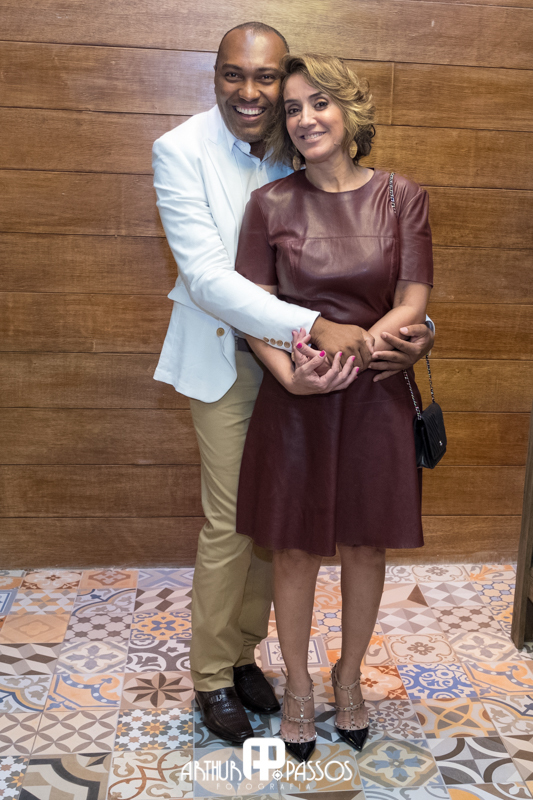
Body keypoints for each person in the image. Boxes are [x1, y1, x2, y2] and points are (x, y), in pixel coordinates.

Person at [152, 23, 435, 745]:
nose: (254, 94)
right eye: (234, 75)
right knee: (237, 525)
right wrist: (310, 337)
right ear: (216, 76)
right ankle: (213, 675)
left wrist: (414, 331)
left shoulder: (298, 142)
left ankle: (247, 654)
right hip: (234, 356)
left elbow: (395, 282)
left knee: (275, 530)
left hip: (338, 371)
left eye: (268, 80)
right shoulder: (181, 150)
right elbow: (211, 280)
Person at [234, 52, 433, 761]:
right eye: (292, 108)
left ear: (349, 110)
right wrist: (291, 377)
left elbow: (412, 296)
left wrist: (361, 347)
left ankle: (348, 679)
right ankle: (296, 686)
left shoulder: (401, 197)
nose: (305, 118)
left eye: (319, 102)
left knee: (364, 542)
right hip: (298, 398)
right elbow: (253, 311)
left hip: (376, 392)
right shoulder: (269, 204)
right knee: (293, 548)